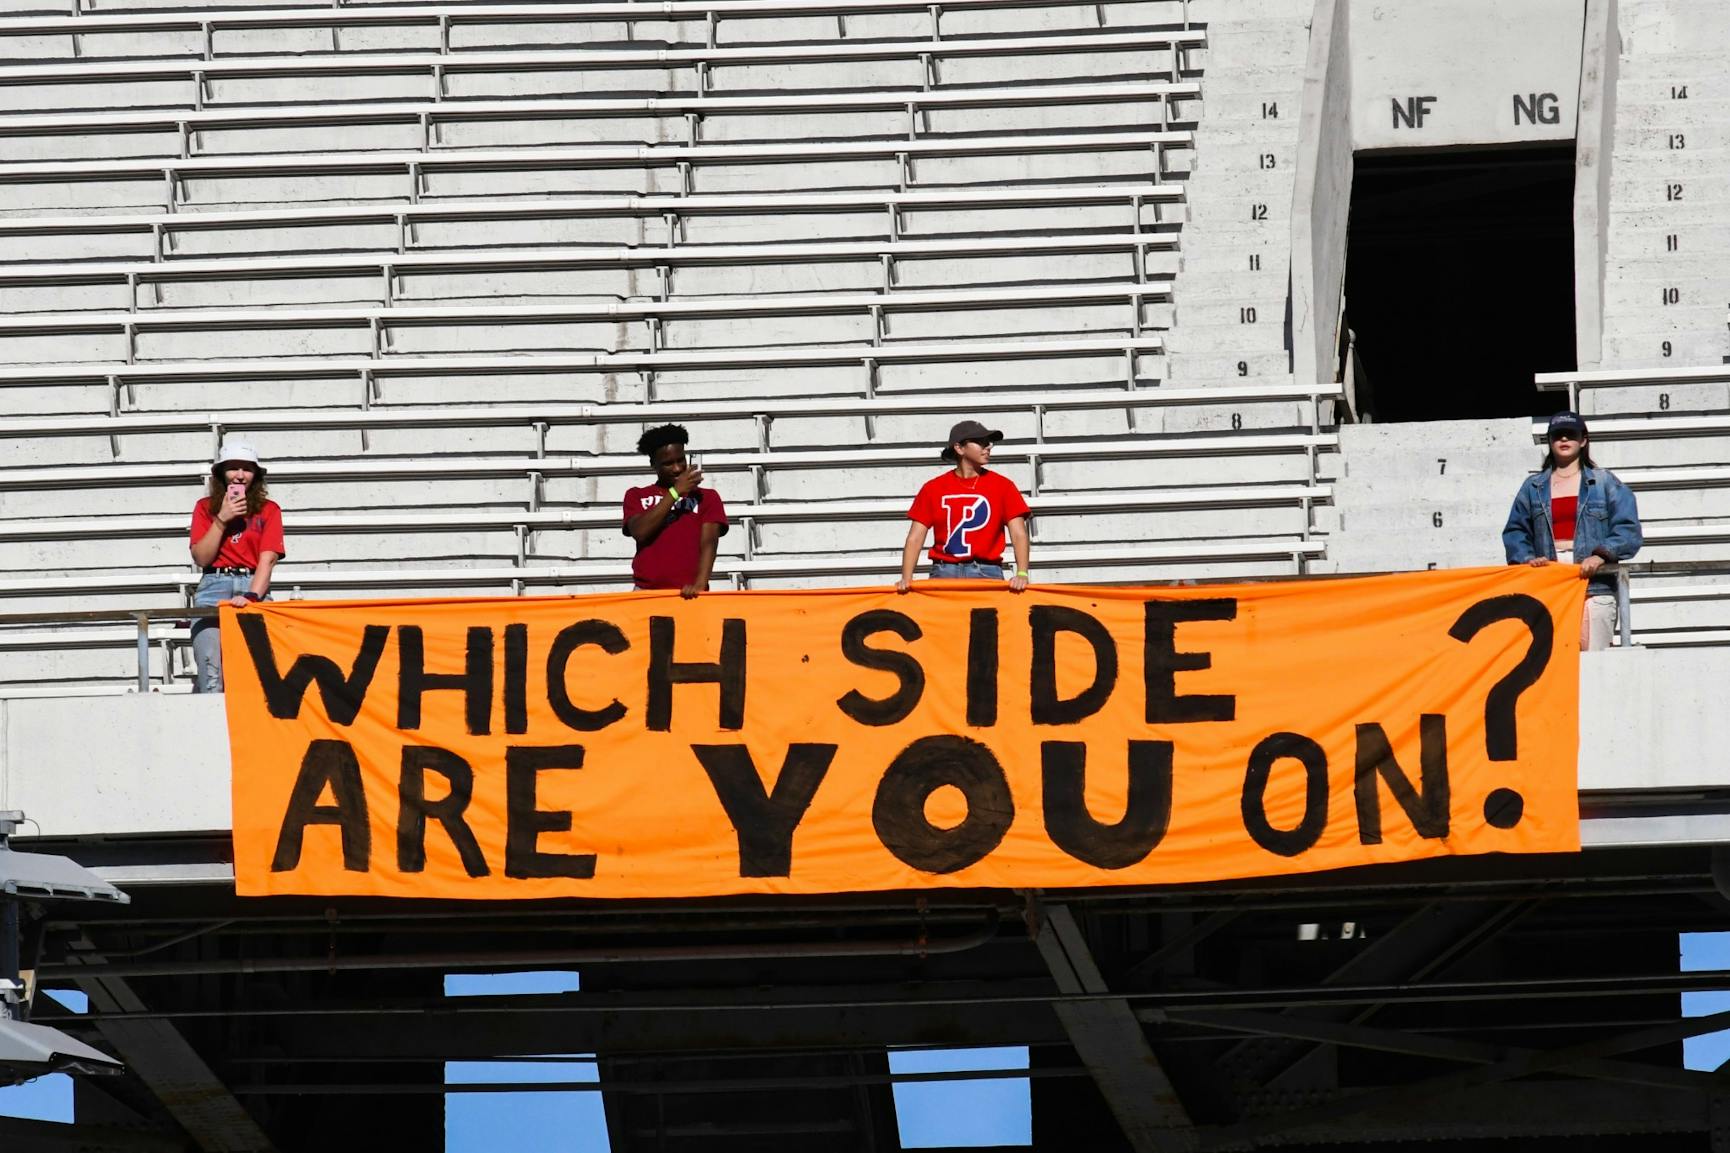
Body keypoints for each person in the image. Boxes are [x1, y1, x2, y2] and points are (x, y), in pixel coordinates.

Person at [1502, 410, 1642, 651]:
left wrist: (1601, 555)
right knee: (1555, 663)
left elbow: (1628, 529)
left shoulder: (1605, 482)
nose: (1564, 440)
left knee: (1592, 661)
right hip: (1550, 585)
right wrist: (1528, 559)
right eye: (1558, 435)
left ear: (1583, 440)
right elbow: (1515, 531)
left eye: (1571, 435)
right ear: (1550, 441)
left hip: (1595, 584)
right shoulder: (1533, 487)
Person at [188, 440, 285, 693]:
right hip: (213, 584)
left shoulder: (269, 510)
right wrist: (222, 519)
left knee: (257, 672)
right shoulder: (204, 508)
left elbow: (268, 558)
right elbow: (201, 558)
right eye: (233, 468)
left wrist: (253, 594)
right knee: (211, 671)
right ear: (221, 473)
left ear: (256, 475)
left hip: (253, 583)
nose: (240, 476)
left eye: (247, 469)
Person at [897, 419, 1031, 593]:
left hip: (987, 571)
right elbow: (915, 537)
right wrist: (906, 579)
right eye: (980, 442)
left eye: (989, 443)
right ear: (959, 448)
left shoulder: (1003, 486)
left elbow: (1019, 533)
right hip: (944, 571)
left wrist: (1022, 573)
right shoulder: (933, 488)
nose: (988, 447)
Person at [623, 424, 729, 597]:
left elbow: (709, 543)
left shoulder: (707, 497)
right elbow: (640, 532)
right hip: (646, 594)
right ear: (653, 464)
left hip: (689, 594)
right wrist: (675, 492)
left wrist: (700, 585)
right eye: (668, 463)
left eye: (681, 460)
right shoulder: (636, 495)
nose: (678, 468)